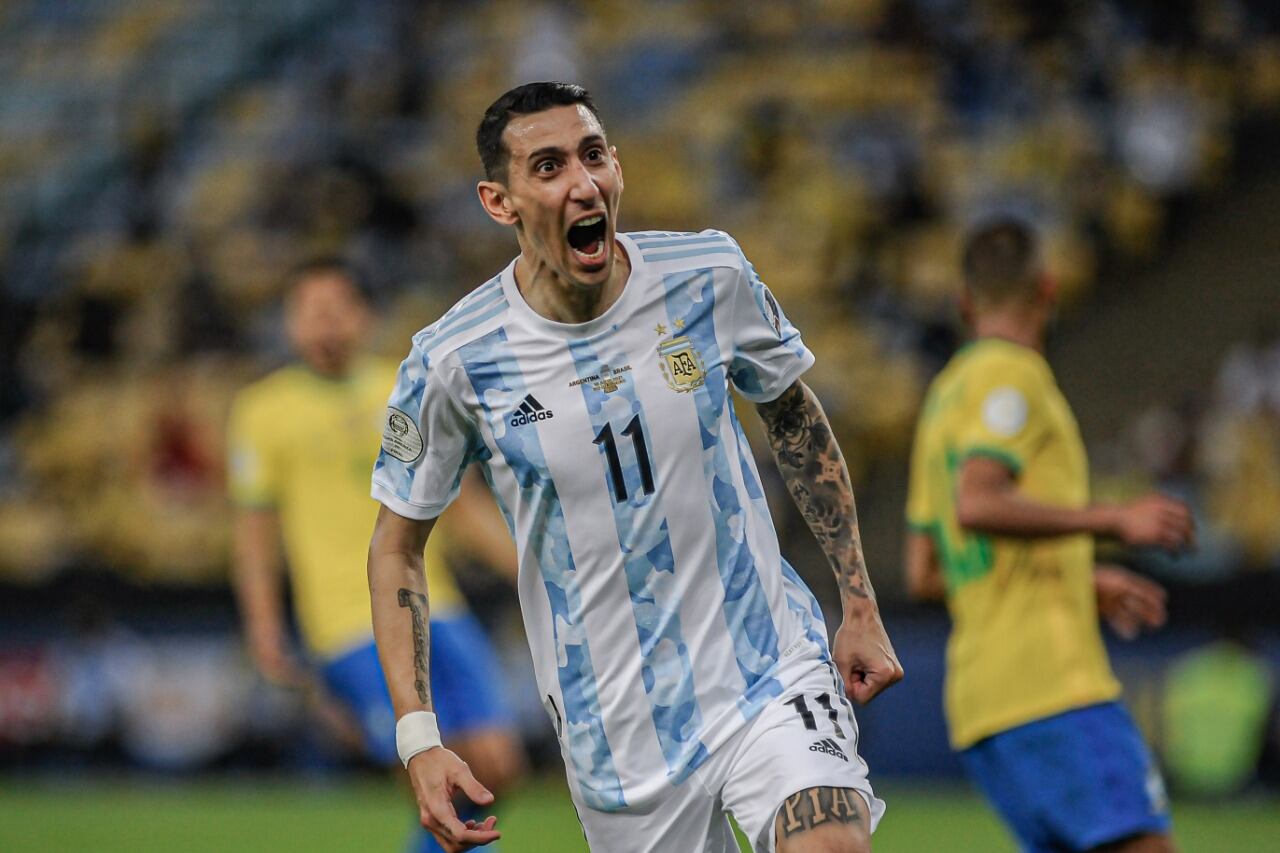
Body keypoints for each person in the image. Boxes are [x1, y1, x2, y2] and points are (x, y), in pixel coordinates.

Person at [367, 81, 904, 853]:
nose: (582, 183)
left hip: (765, 668)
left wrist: (858, 600)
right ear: (500, 200)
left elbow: (793, 416)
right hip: (615, 735)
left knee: (831, 843)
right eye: (548, 167)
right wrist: (419, 737)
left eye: (592, 156)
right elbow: (396, 546)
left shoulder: (708, 277)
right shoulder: (454, 361)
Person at [903, 219, 1195, 853]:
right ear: (1048, 289)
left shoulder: (942, 402)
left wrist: (1077, 576)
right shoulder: (1014, 377)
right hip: (1051, 688)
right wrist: (1111, 518)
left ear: (964, 300)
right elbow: (979, 501)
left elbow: (926, 570)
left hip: (982, 707)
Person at [227, 260, 525, 853]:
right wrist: (263, 629)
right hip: (345, 624)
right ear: (290, 325)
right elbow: (254, 537)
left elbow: (462, 507)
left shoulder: (402, 389)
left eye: (337, 309)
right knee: (430, 774)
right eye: (310, 312)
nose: (325, 325)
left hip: (437, 604)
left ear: (365, 317)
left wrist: (532, 572)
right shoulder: (262, 411)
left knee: (499, 764)